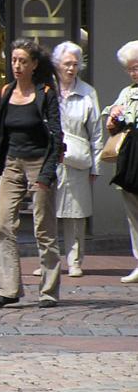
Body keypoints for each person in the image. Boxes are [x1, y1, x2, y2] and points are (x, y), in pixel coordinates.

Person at [0, 38, 62, 308]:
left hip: (39, 163)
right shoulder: (6, 92)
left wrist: (46, 174)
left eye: (23, 61)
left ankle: (48, 291)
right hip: (12, 164)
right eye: (14, 60)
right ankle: (8, 288)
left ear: (34, 64)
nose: (17, 65)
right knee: (3, 224)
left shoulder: (46, 92)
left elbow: (56, 136)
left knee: (43, 228)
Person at [49, 41, 102, 278]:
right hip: (51, 160)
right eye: (67, 63)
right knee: (47, 213)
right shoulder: (48, 90)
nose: (71, 68)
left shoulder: (88, 92)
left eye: (75, 64)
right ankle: (49, 262)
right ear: (57, 64)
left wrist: (96, 166)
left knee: (76, 215)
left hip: (78, 161)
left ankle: (75, 261)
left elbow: (97, 132)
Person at [103, 40, 138, 283]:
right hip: (130, 157)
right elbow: (111, 125)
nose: (134, 72)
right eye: (130, 69)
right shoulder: (126, 93)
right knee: (133, 213)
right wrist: (112, 117)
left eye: (137, 67)